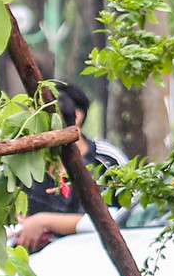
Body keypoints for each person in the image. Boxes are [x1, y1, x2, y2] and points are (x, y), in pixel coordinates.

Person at [11, 81, 128, 252]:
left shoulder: (107, 160)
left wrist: (43, 221)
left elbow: (124, 216)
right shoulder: (21, 166)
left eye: (44, 121)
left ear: (76, 116)